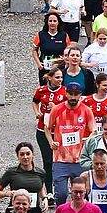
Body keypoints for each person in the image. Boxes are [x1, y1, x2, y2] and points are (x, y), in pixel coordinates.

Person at [50, 82, 98, 203]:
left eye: (76, 94)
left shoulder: (86, 111)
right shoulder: (57, 109)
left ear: (80, 95)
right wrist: (51, 141)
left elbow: (94, 130)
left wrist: (88, 141)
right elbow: (47, 127)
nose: (72, 97)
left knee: (82, 194)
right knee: (61, 194)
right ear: (66, 93)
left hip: (79, 159)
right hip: (60, 158)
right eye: (70, 94)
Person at [33, 68, 68, 198]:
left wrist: (57, 108)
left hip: (59, 131)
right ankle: (48, 191)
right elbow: (35, 101)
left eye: (61, 77)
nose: (60, 80)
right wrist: (37, 112)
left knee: (59, 160)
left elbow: (69, 109)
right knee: (47, 161)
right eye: (57, 77)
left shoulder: (65, 92)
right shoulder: (41, 90)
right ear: (50, 78)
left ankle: (61, 186)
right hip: (43, 129)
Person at [0, 143, 48, 213]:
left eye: (28, 154)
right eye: (22, 154)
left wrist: (44, 198)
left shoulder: (40, 172)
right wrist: (7, 193)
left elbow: (40, 187)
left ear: (33, 155)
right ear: (17, 156)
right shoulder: (11, 172)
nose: (25, 157)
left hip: (34, 212)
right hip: (16, 211)